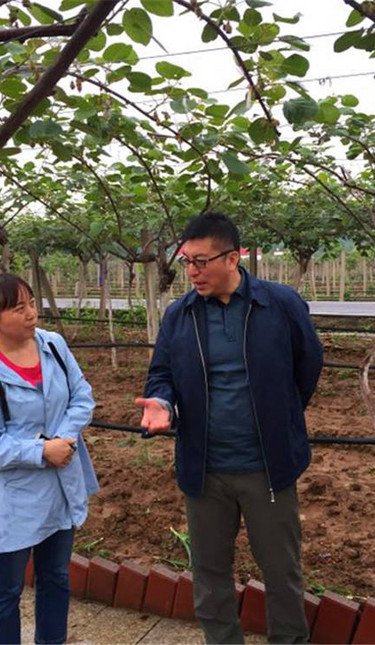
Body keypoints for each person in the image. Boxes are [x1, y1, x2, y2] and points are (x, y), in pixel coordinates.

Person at [135, 212, 323, 644]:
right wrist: (162, 404)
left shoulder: (279, 304)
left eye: (200, 261)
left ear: (233, 257)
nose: (191, 272)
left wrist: (283, 416)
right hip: (205, 468)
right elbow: (160, 373)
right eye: (185, 262)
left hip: (267, 467)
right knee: (210, 574)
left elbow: (307, 364)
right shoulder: (180, 316)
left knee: (281, 572)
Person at [0, 274, 97, 645]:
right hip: (14, 498)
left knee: (56, 578)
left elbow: (82, 397)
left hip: (59, 485)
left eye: (32, 303)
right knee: (6, 589)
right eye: (19, 308)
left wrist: (61, 439)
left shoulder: (52, 346)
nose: (31, 313)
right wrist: (40, 451)